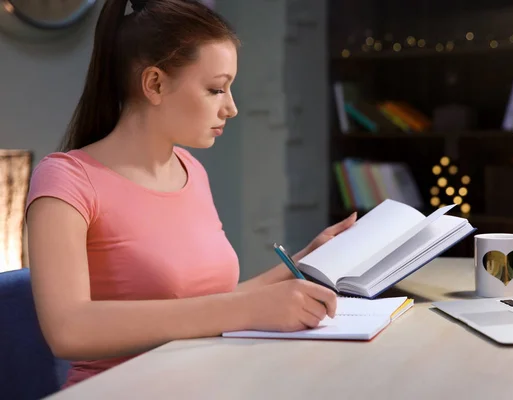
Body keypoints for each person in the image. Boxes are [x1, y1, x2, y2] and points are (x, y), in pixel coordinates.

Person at [25, 0, 357, 389]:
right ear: (155, 84)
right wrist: (243, 309)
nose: (231, 108)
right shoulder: (66, 181)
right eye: (216, 89)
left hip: (208, 380)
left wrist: (302, 262)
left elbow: (209, 301)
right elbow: (69, 330)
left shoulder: (191, 171)